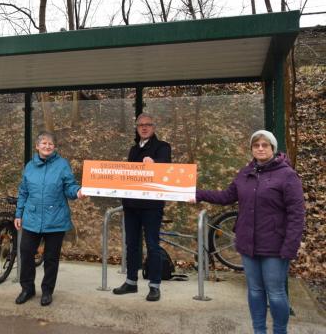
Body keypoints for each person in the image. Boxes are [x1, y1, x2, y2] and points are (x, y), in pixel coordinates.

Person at [196, 130, 304, 334]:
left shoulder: (287, 175)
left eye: (265, 145)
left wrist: (290, 246)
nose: (261, 149)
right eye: (256, 146)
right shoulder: (245, 173)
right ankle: (259, 331)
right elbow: (225, 197)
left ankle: (280, 331)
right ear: (252, 149)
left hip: (275, 246)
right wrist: (197, 193)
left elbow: (296, 214)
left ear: (273, 148)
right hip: (248, 244)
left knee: (276, 293)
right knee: (255, 291)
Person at [14, 131, 84, 307]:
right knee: (26, 252)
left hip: (56, 219)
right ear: (37, 146)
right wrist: (18, 213)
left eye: (50, 144)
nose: (47, 146)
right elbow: (23, 192)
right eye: (43, 143)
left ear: (54, 147)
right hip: (31, 218)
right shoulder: (29, 166)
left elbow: (69, 186)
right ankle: (27, 288)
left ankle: (47, 291)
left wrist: (77, 192)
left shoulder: (62, 165)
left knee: (51, 258)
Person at [113, 112, 171, 301]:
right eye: (140, 125)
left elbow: (165, 165)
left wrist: (154, 163)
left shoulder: (162, 147)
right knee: (131, 244)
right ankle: (131, 282)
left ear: (154, 127)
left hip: (152, 206)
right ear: (137, 129)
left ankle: (154, 286)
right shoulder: (133, 149)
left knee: (153, 245)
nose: (144, 127)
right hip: (131, 205)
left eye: (148, 124)